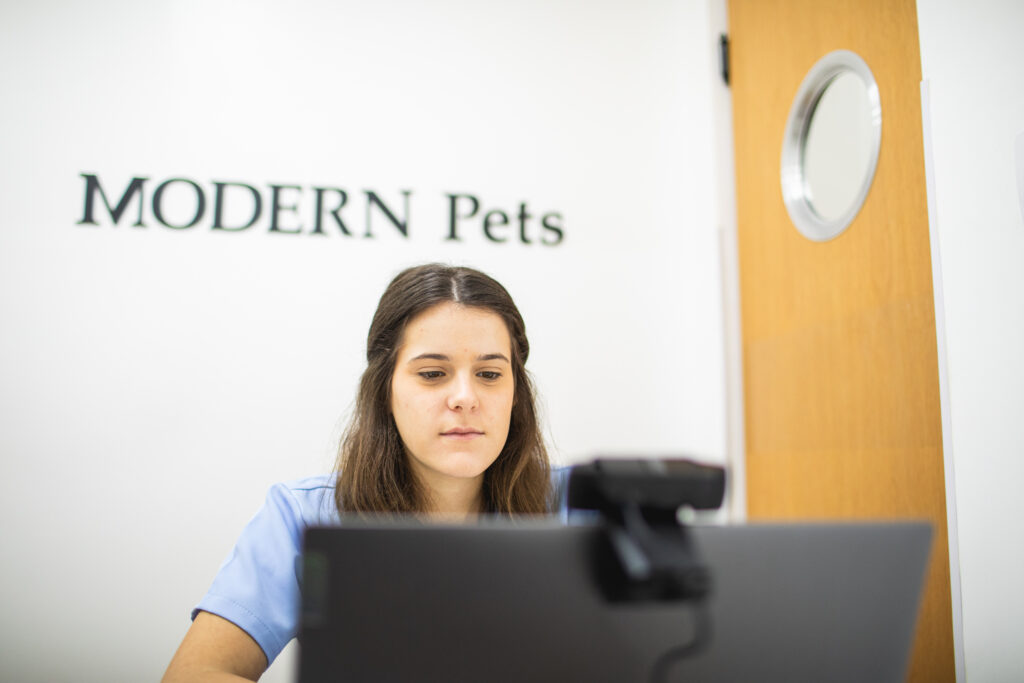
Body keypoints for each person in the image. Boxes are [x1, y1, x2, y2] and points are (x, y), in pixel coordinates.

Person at [162, 263, 561, 682]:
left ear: (516, 393)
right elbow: (191, 676)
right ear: (384, 390)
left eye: (489, 374)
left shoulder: (581, 505)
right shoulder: (303, 516)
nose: (465, 397)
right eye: (432, 374)